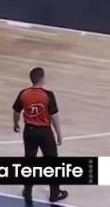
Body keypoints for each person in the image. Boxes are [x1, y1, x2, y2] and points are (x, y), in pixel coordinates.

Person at [13, 67, 69, 204]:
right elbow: (54, 116)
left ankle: (27, 191)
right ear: (42, 79)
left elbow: (16, 112)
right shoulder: (48, 95)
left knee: (29, 161)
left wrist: (16, 124)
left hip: (29, 131)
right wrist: (59, 134)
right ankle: (55, 194)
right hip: (45, 132)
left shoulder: (23, 94)